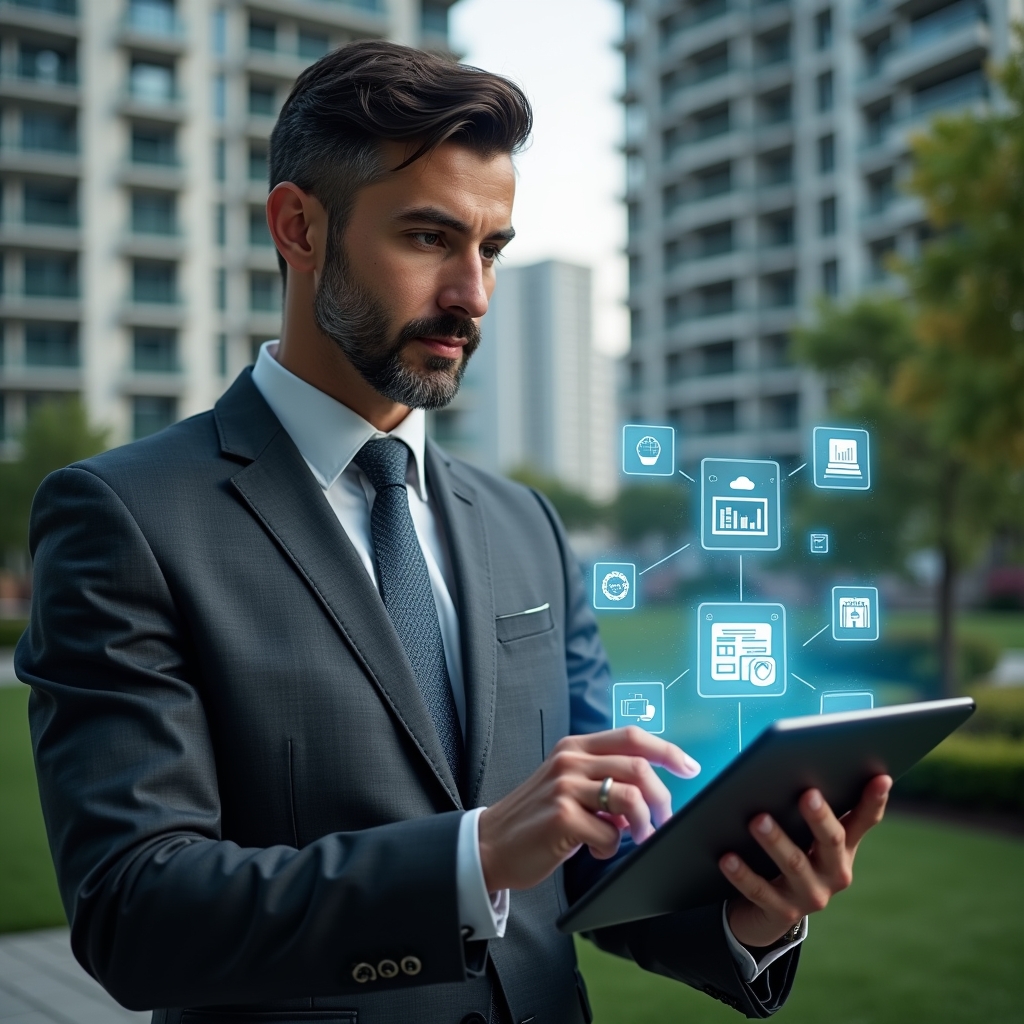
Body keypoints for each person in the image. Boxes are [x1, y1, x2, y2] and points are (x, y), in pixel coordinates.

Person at [17, 42, 891, 1024]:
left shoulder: (525, 524)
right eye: (430, 238)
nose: (472, 295)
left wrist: (750, 906)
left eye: (491, 248)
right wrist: (471, 856)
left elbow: (596, 847)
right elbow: (135, 911)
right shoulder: (125, 516)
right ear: (298, 228)